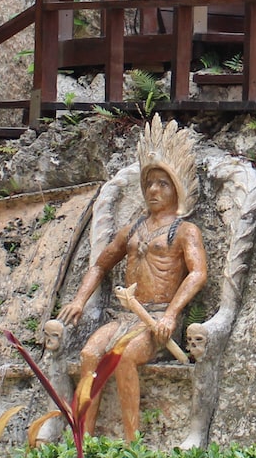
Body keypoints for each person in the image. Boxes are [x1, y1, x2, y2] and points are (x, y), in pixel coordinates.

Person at [56, 119, 208, 440]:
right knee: (88, 354)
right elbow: (100, 265)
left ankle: (131, 444)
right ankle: (81, 439)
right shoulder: (132, 230)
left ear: (176, 189)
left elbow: (198, 273)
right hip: (124, 316)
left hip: (156, 320)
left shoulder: (184, 231)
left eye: (162, 184)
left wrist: (171, 315)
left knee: (124, 357)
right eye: (149, 183)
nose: (153, 190)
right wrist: (79, 300)